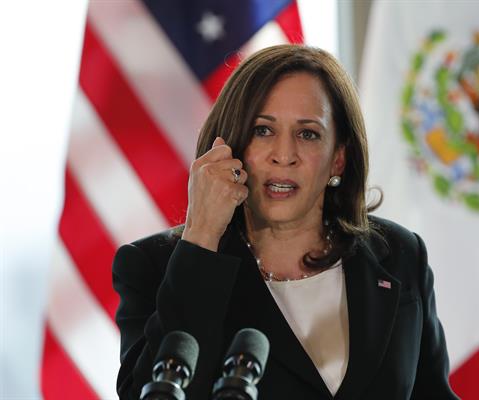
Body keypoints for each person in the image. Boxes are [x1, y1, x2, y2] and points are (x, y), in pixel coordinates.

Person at [113, 44, 459, 399]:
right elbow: (151, 393)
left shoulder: (399, 254)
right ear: (230, 145)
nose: (284, 155)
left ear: (338, 159)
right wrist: (202, 236)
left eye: (307, 134)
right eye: (263, 130)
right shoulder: (154, 266)